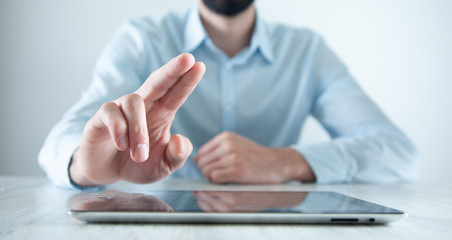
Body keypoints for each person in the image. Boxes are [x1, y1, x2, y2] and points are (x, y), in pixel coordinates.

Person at [38, 0, 419, 189]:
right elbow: (65, 136)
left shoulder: (307, 51)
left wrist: (287, 162)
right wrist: (84, 166)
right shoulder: (141, 39)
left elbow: (399, 152)